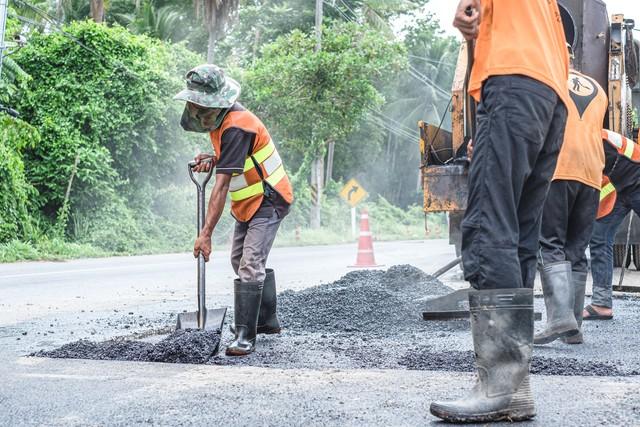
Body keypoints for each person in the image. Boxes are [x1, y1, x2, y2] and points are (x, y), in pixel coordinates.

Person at [430, 0, 569, 423]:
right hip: (550, 97)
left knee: (489, 227)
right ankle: (516, 388)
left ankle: (498, 385)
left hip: (510, 84)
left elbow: (469, 14)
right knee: (518, 235)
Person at [174, 64, 293, 356]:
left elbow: (221, 186)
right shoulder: (222, 123)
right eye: (195, 107)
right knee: (239, 259)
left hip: (268, 198)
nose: (198, 114)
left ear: (218, 104)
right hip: (249, 200)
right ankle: (266, 320)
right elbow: (235, 158)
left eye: (202, 108)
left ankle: (245, 336)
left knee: (250, 264)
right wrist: (215, 158)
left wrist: (205, 234)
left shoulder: (237, 126)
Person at [534, 54, 608, 346]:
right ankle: (574, 327)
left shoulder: (550, 77)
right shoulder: (598, 89)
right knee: (576, 249)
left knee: (549, 244)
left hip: (558, 168)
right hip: (591, 174)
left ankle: (558, 319)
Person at [586, 130, 640, 321]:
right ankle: (601, 304)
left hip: (637, 177)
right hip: (618, 187)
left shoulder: (591, 137)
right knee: (599, 236)